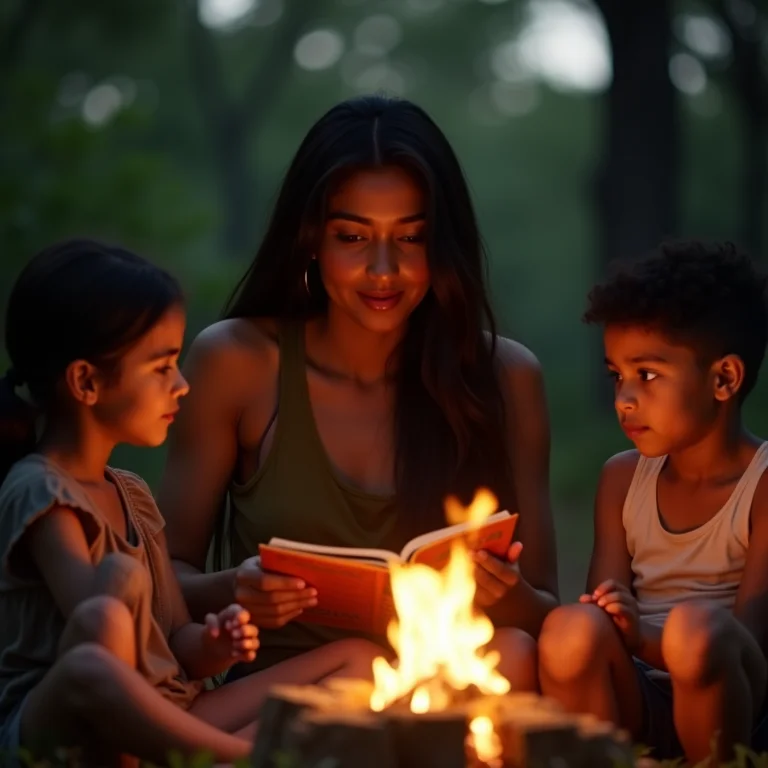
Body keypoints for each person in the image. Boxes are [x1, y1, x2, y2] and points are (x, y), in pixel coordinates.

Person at [159, 95, 559, 686]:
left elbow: (549, 614)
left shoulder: (505, 377)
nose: (382, 269)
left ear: (443, 248)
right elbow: (164, 576)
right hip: (286, 704)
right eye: (352, 237)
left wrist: (510, 593)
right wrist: (236, 589)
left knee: (518, 653)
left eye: (411, 238)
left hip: (445, 698)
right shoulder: (240, 363)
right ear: (311, 239)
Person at [0, 240, 382, 766]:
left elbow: (175, 643)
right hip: (70, 717)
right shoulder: (40, 489)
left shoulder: (130, 493)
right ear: (87, 381)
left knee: (360, 659)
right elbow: (94, 630)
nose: (182, 386)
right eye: (161, 368)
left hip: (171, 711)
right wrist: (125, 582)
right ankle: (241, 758)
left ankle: (228, 756)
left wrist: (218, 642)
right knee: (102, 632)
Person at [538, 240, 768, 764]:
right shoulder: (622, 478)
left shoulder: (762, 484)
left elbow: (754, 640)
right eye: (616, 375)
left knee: (694, 629)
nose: (624, 398)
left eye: (647, 375)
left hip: (735, 699)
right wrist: (620, 623)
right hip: (640, 690)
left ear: (724, 379)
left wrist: (641, 635)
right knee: (569, 628)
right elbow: (604, 611)